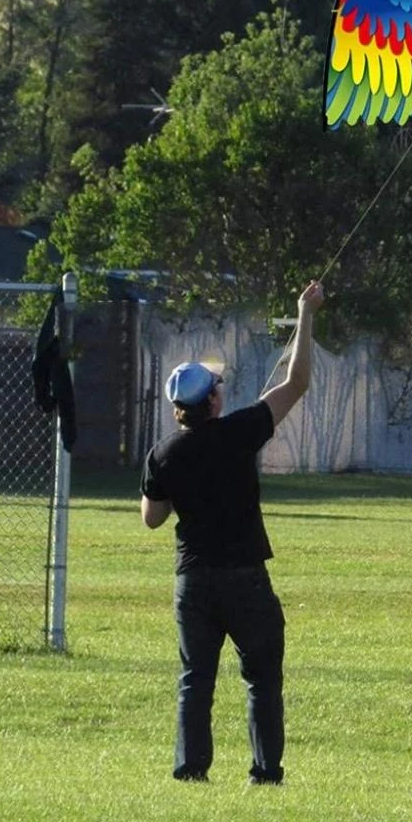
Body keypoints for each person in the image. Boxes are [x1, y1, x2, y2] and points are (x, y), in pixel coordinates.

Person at [140, 280, 324, 785]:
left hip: (193, 582)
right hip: (245, 578)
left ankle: (191, 771)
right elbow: (298, 381)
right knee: (262, 680)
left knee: (195, 680)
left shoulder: (163, 453)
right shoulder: (243, 430)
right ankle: (265, 774)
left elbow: (152, 518)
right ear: (214, 400)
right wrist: (304, 312)